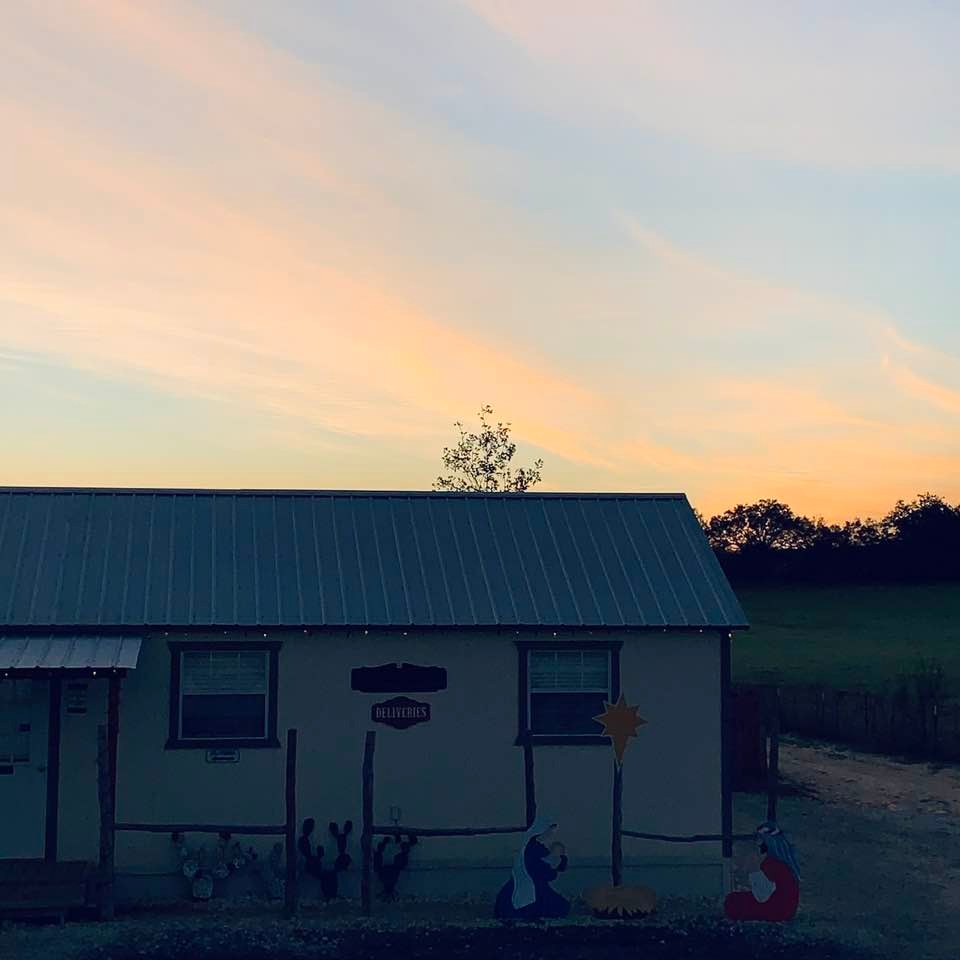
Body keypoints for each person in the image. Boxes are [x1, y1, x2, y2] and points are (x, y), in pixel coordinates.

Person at [494, 815, 570, 920]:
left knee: (562, 906)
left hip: (537, 885)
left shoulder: (538, 847)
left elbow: (555, 864)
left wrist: (559, 861)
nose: (550, 834)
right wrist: (552, 867)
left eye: (552, 831)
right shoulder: (531, 848)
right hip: (528, 886)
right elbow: (541, 870)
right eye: (549, 830)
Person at [724, 821, 800, 922]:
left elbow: (762, 896)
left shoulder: (772, 865)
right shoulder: (783, 864)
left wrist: (753, 870)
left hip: (775, 911)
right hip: (785, 910)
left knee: (732, 901)